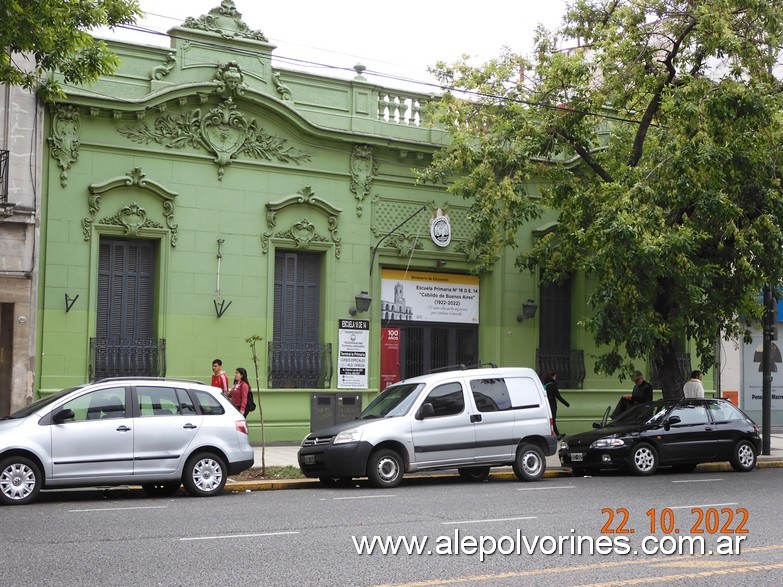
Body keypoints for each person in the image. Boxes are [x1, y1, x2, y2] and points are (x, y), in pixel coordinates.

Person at [542, 371, 570, 439]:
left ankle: (557, 434)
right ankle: (557, 436)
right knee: (553, 420)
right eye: (554, 376)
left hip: (546, 405)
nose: (555, 378)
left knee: (551, 420)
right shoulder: (552, 385)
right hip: (552, 405)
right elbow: (558, 396)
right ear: (551, 377)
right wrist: (567, 404)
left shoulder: (544, 385)